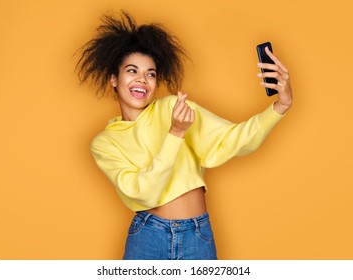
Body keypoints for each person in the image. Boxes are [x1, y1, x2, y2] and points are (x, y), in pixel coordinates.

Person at [76, 11, 292, 260]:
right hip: (148, 236)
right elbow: (143, 192)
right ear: (114, 78)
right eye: (132, 71)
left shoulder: (172, 108)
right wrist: (175, 133)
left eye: (151, 74)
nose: (142, 80)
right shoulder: (105, 143)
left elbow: (233, 140)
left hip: (196, 235)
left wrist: (281, 106)